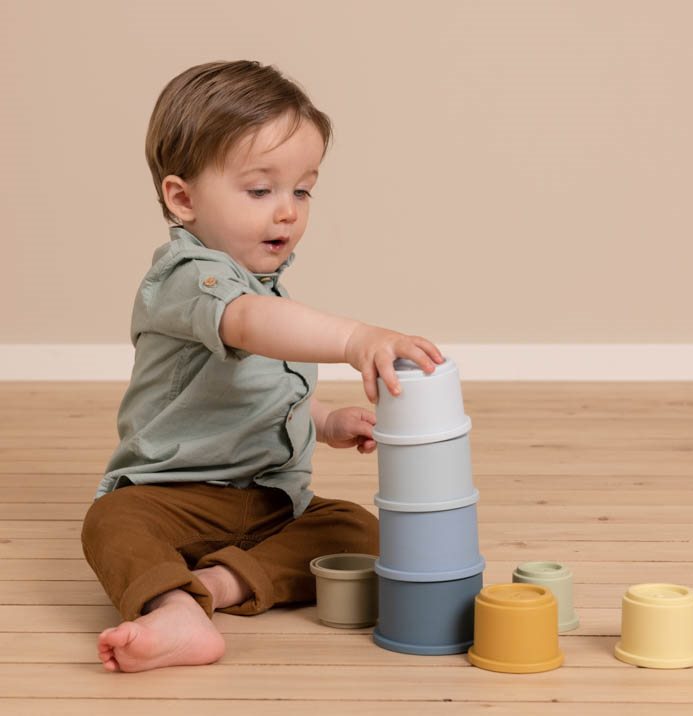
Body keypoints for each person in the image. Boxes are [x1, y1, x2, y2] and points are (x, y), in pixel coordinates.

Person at [81, 60, 443, 673]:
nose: (288, 211)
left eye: (302, 190)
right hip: (173, 498)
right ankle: (169, 604)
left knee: (360, 534)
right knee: (111, 523)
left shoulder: (265, 287)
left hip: (273, 500)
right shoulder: (188, 280)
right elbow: (248, 326)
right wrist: (355, 338)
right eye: (260, 190)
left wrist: (324, 422)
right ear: (183, 198)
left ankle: (212, 590)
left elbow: (262, 388)